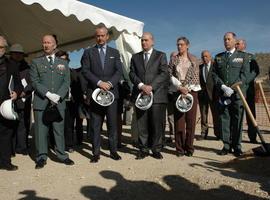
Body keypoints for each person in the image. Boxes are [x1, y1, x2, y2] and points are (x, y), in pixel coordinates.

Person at [30, 34, 74, 169]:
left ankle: (62, 155)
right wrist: (48, 94)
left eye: (49, 42)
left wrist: (58, 96)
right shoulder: (36, 62)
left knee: (59, 131)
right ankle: (41, 157)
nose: (46, 45)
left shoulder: (63, 63)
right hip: (41, 102)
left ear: (55, 45)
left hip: (58, 102)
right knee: (40, 132)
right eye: (44, 42)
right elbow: (34, 82)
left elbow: (66, 82)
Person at [81, 25, 123, 163]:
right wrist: (99, 83)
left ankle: (113, 151)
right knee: (95, 125)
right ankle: (95, 153)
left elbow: (119, 72)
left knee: (112, 124)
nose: (100, 38)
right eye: (98, 36)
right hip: (95, 94)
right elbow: (85, 71)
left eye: (102, 35)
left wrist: (109, 84)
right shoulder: (88, 53)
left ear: (107, 36)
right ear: (95, 37)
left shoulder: (115, 52)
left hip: (112, 94)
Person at [129, 32, 169, 159]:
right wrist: (141, 85)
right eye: (142, 40)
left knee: (156, 123)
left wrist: (151, 86)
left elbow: (164, 74)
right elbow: (131, 73)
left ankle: (156, 149)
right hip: (141, 95)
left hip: (156, 95)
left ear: (152, 41)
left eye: (146, 40)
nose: (143, 42)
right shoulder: (135, 57)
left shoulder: (161, 56)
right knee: (142, 123)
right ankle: (143, 149)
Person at [212, 32, 249, 157]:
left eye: (228, 39)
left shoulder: (243, 56)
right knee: (224, 120)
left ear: (234, 41)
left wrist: (234, 88)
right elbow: (214, 74)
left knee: (238, 120)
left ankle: (237, 146)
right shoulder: (218, 57)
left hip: (238, 94)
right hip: (224, 94)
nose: (226, 41)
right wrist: (222, 86)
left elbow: (244, 75)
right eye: (224, 39)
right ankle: (226, 145)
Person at [169, 36, 200, 157]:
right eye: (178, 44)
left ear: (187, 45)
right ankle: (179, 148)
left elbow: (196, 75)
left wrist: (187, 88)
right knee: (179, 121)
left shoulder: (194, 59)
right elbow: (169, 73)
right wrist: (179, 87)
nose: (179, 46)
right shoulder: (174, 59)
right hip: (178, 90)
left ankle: (189, 147)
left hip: (191, 91)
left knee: (191, 121)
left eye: (181, 44)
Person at [0, 36, 23, 171]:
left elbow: (19, 84)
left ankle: (5, 162)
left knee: (6, 134)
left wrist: (16, 93)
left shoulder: (11, 64)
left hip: (5, 106)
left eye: (1, 47)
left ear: (5, 48)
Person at [9, 43, 33, 155]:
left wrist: (24, 92)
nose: (17, 55)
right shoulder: (6, 67)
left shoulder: (28, 68)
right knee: (10, 125)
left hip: (24, 100)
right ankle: (11, 148)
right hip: (8, 100)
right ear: (11, 54)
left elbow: (32, 83)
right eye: (15, 53)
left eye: (20, 54)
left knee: (23, 124)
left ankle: (22, 147)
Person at [235, 39, 260, 143]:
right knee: (237, 114)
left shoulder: (250, 56)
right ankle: (236, 138)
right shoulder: (233, 57)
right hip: (236, 90)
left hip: (248, 90)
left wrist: (244, 82)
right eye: (235, 43)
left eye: (238, 43)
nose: (236, 45)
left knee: (251, 115)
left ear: (244, 45)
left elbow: (255, 71)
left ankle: (253, 137)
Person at [197, 50, 219, 140]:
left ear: (210, 57)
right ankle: (203, 133)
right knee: (203, 116)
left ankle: (218, 134)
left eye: (206, 56)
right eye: (203, 57)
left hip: (214, 95)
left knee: (216, 115)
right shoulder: (200, 67)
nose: (204, 58)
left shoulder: (215, 67)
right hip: (202, 96)